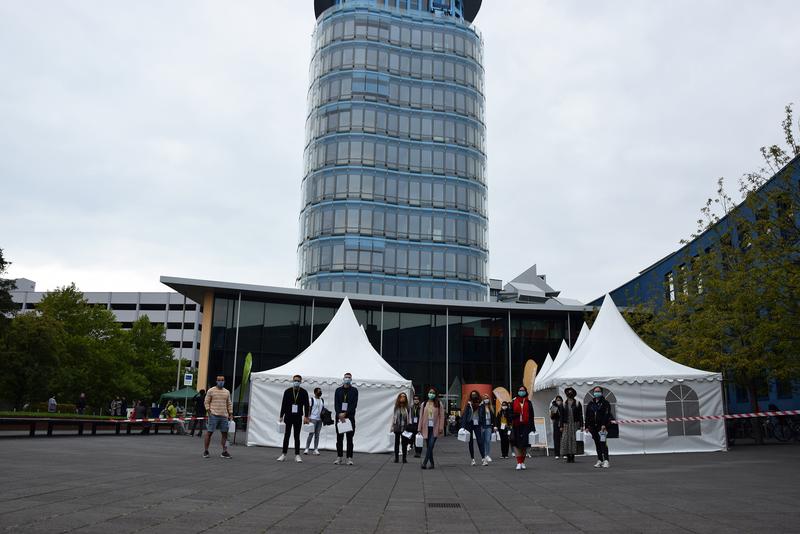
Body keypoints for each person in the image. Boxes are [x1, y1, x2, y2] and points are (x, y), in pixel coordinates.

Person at [278, 374, 310, 462]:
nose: (296, 382)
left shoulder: (304, 392)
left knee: (297, 436)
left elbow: (306, 405)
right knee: (286, 435)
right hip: (288, 416)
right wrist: (281, 415)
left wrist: (306, 416)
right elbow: (283, 404)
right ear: (293, 381)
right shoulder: (287, 391)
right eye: (295, 380)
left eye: (298, 381)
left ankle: (297, 455)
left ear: (301, 382)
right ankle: (284, 454)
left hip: (298, 417)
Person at [203, 375, 233, 459]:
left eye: (222, 380)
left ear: (224, 381)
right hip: (213, 415)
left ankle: (224, 451)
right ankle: (206, 451)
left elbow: (229, 403)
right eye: (219, 380)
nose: (221, 382)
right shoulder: (211, 391)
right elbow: (206, 402)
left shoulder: (227, 392)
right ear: (216, 381)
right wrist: (209, 411)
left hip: (224, 416)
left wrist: (230, 413)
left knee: (225, 434)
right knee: (209, 433)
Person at [334, 372, 358, 465]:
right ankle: (339, 457)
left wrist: (346, 413)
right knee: (339, 439)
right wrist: (339, 414)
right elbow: (336, 403)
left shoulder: (354, 390)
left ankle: (349, 458)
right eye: (346, 377)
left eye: (349, 378)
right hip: (339, 417)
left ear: (351, 379)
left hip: (350, 417)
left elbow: (354, 404)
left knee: (349, 439)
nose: (347, 379)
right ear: (343, 379)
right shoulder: (338, 390)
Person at [585, 386, 612, 468]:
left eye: (598, 391)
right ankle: (600, 460)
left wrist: (604, 424)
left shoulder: (605, 403)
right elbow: (587, 415)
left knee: (603, 444)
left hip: (602, 427)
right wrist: (587, 426)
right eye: (595, 391)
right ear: (593, 393)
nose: (597, 392)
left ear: (601, 392)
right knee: (597, 444)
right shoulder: (591, 403)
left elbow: (606, 415)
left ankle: (606, 460)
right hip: (593, 427)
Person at [418, 387, 444, 469]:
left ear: (435, 394)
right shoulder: (424, 404)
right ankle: (432, 464)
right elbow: (421, 416)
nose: (431, 394)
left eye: (433, 393)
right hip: (426, 428)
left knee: (430, 445)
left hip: (434, 428)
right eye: (430, 392)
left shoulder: (439, 404)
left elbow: (442, 416)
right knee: (429, 446)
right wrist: (419, 428)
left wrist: (441, 427)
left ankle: (425, 462)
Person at [511, 385, 534, 470]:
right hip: (516, 425)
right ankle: (518, 462)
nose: (521, 392)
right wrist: (515, 415)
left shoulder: (528, 402)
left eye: (523, 390)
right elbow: (510, 414)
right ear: (517, 391)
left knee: (524, 444)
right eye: (520, 390)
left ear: (525, 391)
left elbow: (531, 416)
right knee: (516, 444)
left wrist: (533, 427)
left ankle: (523, 462)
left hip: (526, 425)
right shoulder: (513, 402)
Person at [461, 390, 486, 466]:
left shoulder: (481, 404)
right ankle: (472, 459)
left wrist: (484, 425)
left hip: (477, 424)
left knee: (480, 441)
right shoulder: (469, 404)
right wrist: (463, 426)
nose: (474, 396)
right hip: (469, 423)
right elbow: (465, 415)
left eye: (475, 394)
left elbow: (484, 415)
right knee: (470, 442)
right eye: (472, 395)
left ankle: (483, 459)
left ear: (477, 395)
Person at [559, 388, 583, 463]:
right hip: (566, 424)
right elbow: (561, 416)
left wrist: (582, 425)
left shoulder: (577, 403)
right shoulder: (563, 404)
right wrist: (561, 426)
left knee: (574, 440)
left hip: (575, 424)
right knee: (566, 440)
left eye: (571, 393)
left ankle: (573, 456)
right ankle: (568, 455)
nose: (569, 394)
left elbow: (580, 415)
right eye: (568, 393)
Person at [389, 392, 412, 463]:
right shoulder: (396, 407)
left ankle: (404, 458)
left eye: (404, 396)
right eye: (401, 396)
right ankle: (396, 458)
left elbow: (409, 417)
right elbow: (393, 417)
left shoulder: (407, 407)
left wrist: (409, 425)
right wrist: (392, 426)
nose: (402, 398)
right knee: (396, 443)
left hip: (404, 427)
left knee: (404, 443)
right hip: (397, 427)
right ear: (399, 398)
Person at [304, 387, 324, 455]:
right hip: (313, 418)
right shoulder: (311, 400)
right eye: (319, 391)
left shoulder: (322, 400)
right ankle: (307, 448)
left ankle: (315, 449)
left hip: (320, 419)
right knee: (311, 434)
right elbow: (309, 409)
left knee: (317, 435)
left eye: (320, 391)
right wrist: (308, 417)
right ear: (315, 392)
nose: (320, 393)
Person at [480, 393, 496, 464]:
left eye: (487, 398)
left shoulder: (491, 407)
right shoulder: (481, 407)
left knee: (488, 441)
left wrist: (494, 426)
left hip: (489, 426)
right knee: (482, 441)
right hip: (482, 426)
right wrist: (482, 405)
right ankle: (483, 455)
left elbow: (494, 418)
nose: (486, 400)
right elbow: (480, 415)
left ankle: (487, 455)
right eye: (484, 398)